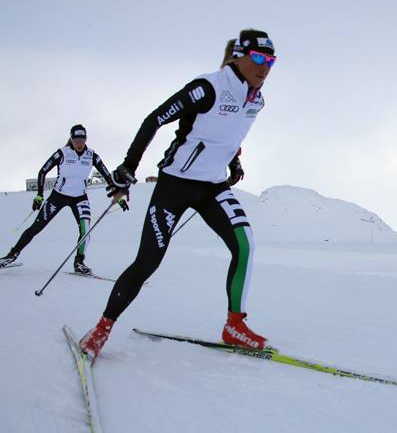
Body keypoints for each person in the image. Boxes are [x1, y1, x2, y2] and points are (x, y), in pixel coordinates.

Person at [79, 29, 277, 359]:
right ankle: (101, 328)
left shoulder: (256, 99)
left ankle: (234, 326)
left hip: (212, 186)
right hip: (176, 184)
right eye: (258, 58)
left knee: (245, 244)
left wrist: (235, 160)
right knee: (147, 262)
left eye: (271, 60)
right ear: (238, 56)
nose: (265, 67)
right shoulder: (207, 88)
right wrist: (129, 166)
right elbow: (154, 119)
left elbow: (227, 134)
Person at [0, 124, 123, 274]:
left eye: (82, 139)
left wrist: (117, 196)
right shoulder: (62, 153)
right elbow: (42, 171)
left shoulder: (92, 155)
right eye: (76, 140)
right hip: (58, 196)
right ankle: (12, 255)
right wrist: (39, 195)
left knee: (86, 230)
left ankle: (79, 262)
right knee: (36, 227)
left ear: (86, 139)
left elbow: (107, 176)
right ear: (71, 139)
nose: (79, 143)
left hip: (80, 197)